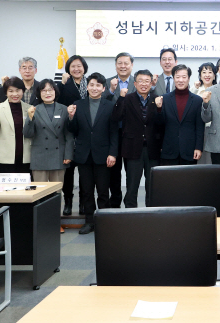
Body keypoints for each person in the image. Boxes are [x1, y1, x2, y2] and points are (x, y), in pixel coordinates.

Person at [67, 72, 118, 234]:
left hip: (103, 155)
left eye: (98, 85)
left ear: (103, 88)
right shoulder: (78, 104)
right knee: (86, 191)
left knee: (103, 191)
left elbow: (114, 132)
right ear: (87, 87)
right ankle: (89, 222)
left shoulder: (110, 105)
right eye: (92, 85)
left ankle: (104, 223)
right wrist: (71, 117)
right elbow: (73, 130)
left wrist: (113, 153)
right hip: (83, 155)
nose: (94, 88)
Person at [112, 70, 162, 207]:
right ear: (135, 83)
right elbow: (116, 117)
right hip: (132, 148)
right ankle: (130, 213)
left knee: (152, 185)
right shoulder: (127, 98)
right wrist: (120, 98)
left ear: (151, 83)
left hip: (152, 148)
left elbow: (161, 124)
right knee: (132, 185)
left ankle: (152, 212)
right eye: (140, 81)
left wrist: (159, 109)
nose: (143, 84)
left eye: (147, 81)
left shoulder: (157, 99)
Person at [24, 79, 73, 183]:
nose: (47, 93)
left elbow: (69, 135)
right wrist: (30, 118)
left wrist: (68, 154)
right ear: (39, 93)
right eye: (44, 90)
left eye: (50, 90)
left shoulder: (64, 109)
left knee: (57, 190)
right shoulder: (34, 109)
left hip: (58, 156)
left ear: (55, 91)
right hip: (39, 157)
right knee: (41, 190)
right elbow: (28, 134)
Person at [57, 55, 89, 216]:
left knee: (85, 172)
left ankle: (83, 202)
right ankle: (68, 201)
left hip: (86, 133)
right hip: (68, 132)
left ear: (84, 68)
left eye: (79, 66)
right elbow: (57, 101)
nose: (76, 69)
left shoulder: (91, 83)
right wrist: (62, 84)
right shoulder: (63, 84)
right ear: (68, 69)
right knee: (68, 172)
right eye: (73, 66)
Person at [104, 52, 136, 208]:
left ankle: (130, 203)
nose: (123, 66)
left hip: (131, 134)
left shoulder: (138, 82)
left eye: (126, 63)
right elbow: (102, 103)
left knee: (132, 171)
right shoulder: (107, 82)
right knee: (114, 172)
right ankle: (115, 202)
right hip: (113, 133)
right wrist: (111, 90)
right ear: (116, 65)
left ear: (132, 65)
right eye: (120, 63)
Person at [156, 65, 204, 166]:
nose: (180, 80)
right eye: (177, 77)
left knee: (189, 177)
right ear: (173, 78)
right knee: (169, 176)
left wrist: (198, 148)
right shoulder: (165, 99)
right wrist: (159, 109)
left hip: (189, 150)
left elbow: (199, 127)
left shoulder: (197, 100)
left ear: (189, 78)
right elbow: (160, 125)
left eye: (184, 77)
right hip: (168, 149)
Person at [0, 77, 32, 174]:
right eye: (11, 91)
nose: (15, 94)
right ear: (6, 93)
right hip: (4, 158)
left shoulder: (29, 109)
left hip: (26, 158)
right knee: (6, 184)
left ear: (23, 91)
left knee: (26, 184)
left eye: (18, 90)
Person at [191, 62, 217, 164]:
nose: (207, 75)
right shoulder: (195, 90)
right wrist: (195, 88)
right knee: (199, 162)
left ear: (214, 75)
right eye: (204, 72)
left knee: (212, 162)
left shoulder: (219, 90)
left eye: (210, 72)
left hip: (214, 131)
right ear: (200, 75)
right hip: (197, 131)